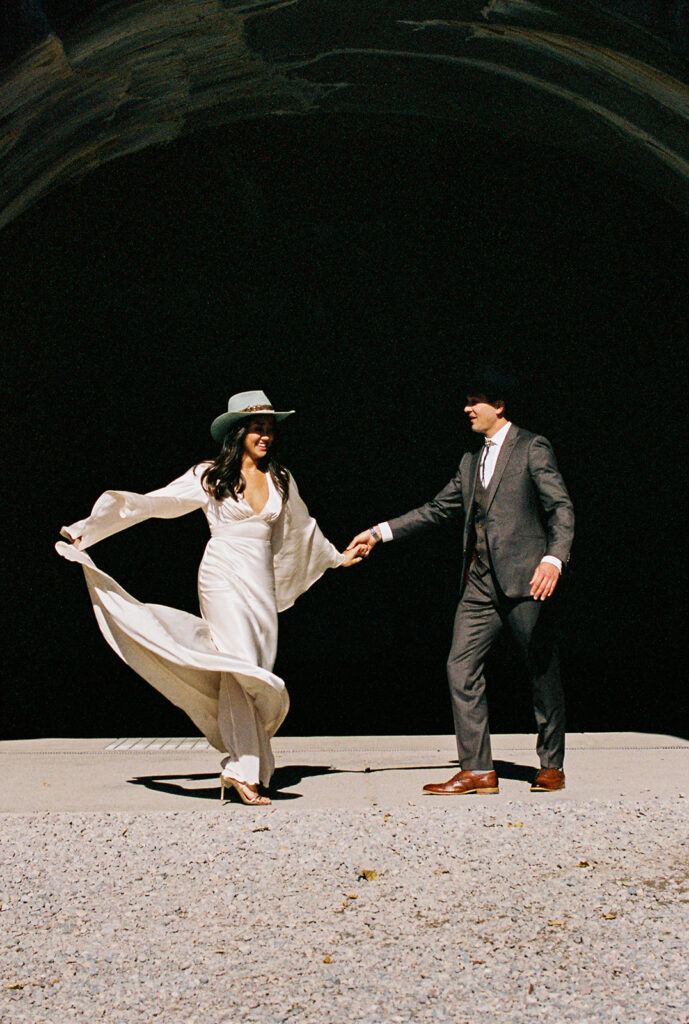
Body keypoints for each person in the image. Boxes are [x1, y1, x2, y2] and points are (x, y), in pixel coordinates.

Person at [57, 390, 366, 806]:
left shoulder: (281, 478)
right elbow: (157, 503)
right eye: (258, 428)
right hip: (221, 575)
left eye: (271, 429)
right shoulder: (209, 475)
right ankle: (241, 770)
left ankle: (254, 764)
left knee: (251, 670)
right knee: (238, 665)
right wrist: (88, 530)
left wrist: (337, 559)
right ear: (238, 432)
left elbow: (301, 529)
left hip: (260, 584)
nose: (266, 437)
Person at [348, 374, 574, 795]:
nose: (467, 409)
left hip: (527, 579)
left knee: (540, 669)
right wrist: (379, 532)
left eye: (475, 402)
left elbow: (560, 507)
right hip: (479, 583)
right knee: (460, 667)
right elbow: (436, 509)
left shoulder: (531, 447)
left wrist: (553, 559)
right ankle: (478, 770)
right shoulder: (470, 463)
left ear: (499, 406)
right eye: (467, 402)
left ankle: (551, 764)